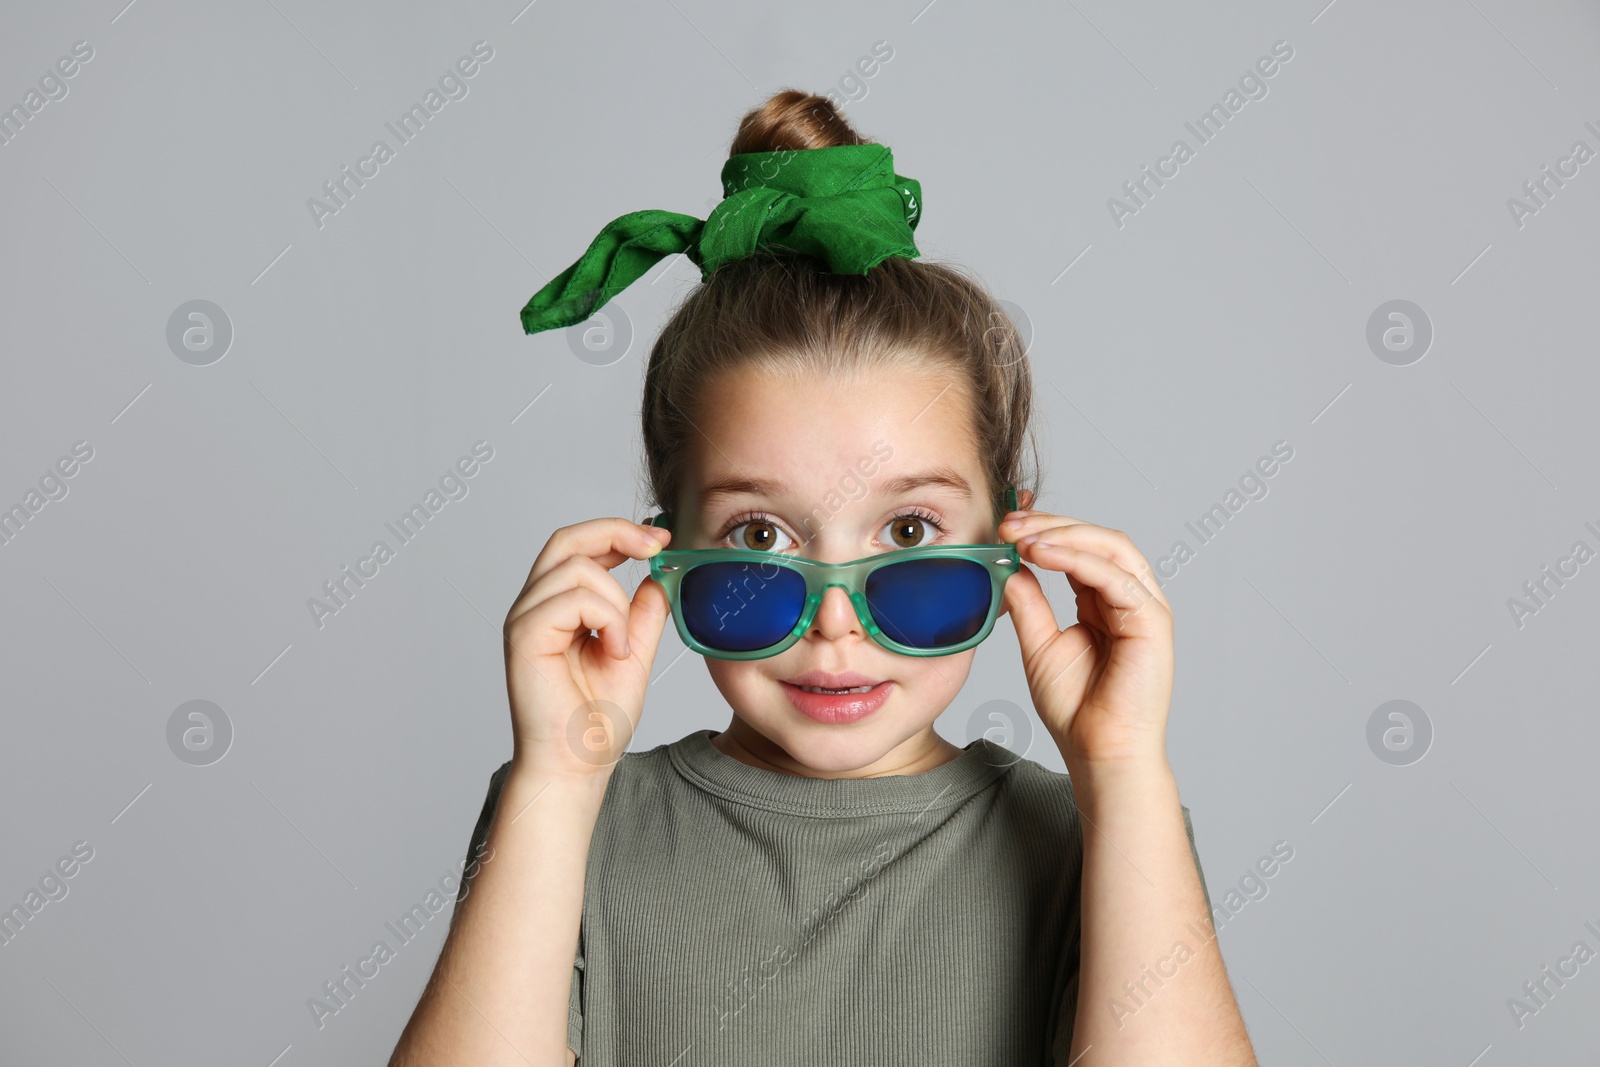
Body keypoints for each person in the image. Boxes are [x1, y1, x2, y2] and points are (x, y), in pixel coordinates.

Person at [390, 89, 1256, 1066]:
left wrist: (1125, 770)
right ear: (661, 554)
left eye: (908, 527)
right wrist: (554, 778)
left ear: (1014, 537)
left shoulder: (1098, 831)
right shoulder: (569, 817)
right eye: (759, 532)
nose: (836, 621)